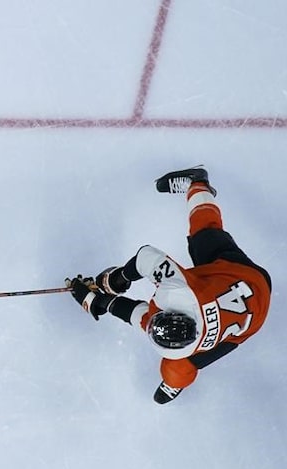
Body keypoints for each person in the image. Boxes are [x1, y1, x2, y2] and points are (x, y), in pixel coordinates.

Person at [66, 165, 272, 404]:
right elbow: (147, 258)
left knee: (180, 371)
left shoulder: (176, 315)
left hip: (252, 309)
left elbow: (142, 315)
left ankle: (199, 186)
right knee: (204, 232)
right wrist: (115, 282)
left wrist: (104, 297)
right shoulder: (179, 292)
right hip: (239, 276)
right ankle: (198, 182)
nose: (150, 323)